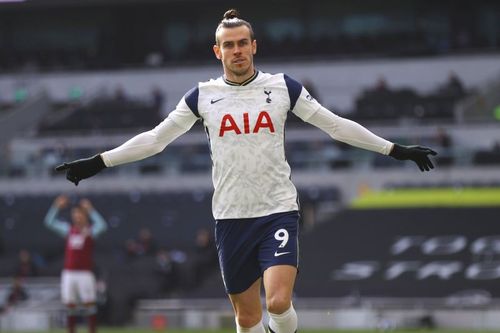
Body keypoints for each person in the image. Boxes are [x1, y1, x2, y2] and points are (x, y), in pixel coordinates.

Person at [55, 9, 437, 333]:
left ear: (253, 46)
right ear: (217, 51)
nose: (237, 51)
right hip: (231, 218)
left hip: (277, 209)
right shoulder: (201, 96)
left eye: (243, 43)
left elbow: (334, 124)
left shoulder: (283, 87)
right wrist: (99, 161)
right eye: (229, 45)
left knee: (279, 300)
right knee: (247, 316)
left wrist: (395, 149)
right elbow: (156, 139)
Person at [44, 195, 108, 333]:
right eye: (74, 214)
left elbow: (103, 226)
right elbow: (49, 222)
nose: (77, 216)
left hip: (85, 273)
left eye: (79, 213)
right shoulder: (68, 230)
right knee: (70, 306)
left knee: (89, 305)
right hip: (69, 273)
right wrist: (56, 206)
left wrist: (91, 210)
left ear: (84, 215)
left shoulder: (90, 231)